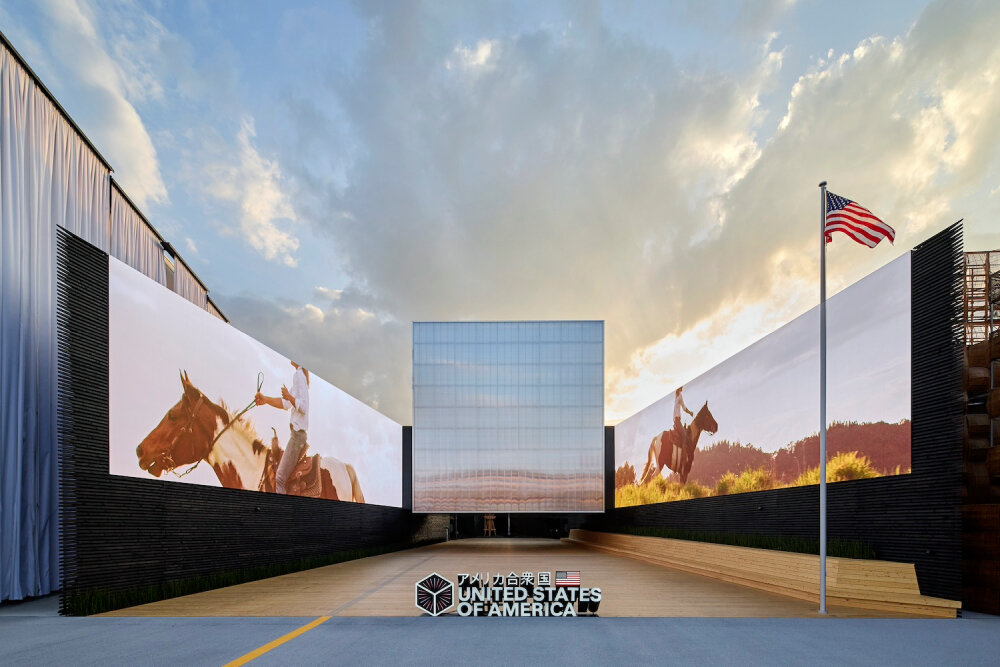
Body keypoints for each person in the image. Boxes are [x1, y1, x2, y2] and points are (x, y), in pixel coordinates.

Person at [255, 361, 310, 494]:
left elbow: (303, 407)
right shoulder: (300, 375)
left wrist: (289, 397)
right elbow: (285, 404)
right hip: (297, 435)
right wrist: (265, 399)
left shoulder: (298, 375)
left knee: (279, 477)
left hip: (297, 436)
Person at [673, 385, 694, 452]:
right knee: (684, 435)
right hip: (677, 419)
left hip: (676, 419)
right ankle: (683, 455)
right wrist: (690, 412)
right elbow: (684, 408)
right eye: (681, 386)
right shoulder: (680, 395)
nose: (682, 387)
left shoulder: (676, 395)